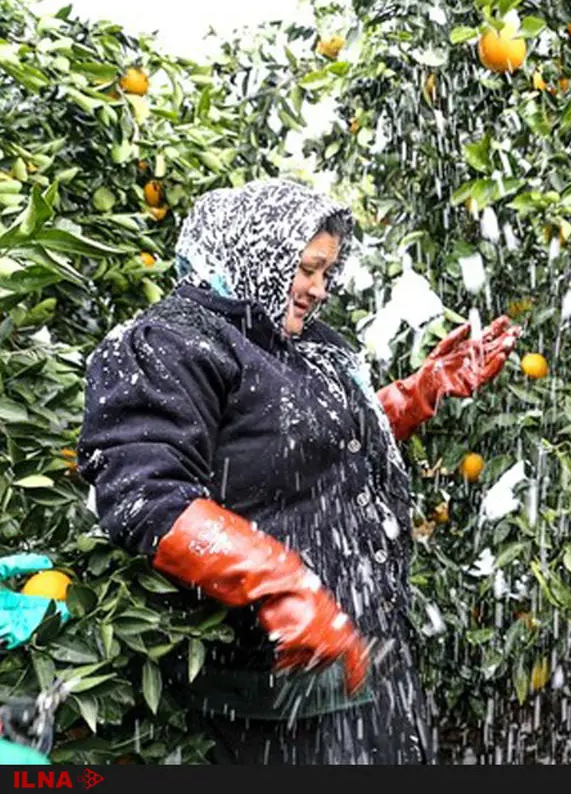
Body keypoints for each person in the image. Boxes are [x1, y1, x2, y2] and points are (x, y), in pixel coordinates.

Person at [77, 179, 519, 764]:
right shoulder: (170, 343)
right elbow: (146, 494)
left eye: (327, 273)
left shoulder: (299, 343)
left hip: (363, 667)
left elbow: (312, 441)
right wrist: (281, 585)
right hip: (274, 701)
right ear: (260, 251)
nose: (317, 289)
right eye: (307, 268)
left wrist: (421, 392)